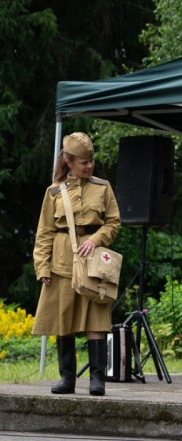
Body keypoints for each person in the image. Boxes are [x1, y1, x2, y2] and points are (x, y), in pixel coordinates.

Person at [32, 132, 121, 396]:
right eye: (83, 162)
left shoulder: (103, 188)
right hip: (61, 261)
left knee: (96, 318)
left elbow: (114, 222)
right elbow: (44, 231)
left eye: (91, 161)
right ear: (69, 161)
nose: (89, 166)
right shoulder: (54, 192)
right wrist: (42, 266)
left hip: (94, 262)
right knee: (64, 318)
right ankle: (67, 378)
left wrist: (95, 239)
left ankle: (97, 380)